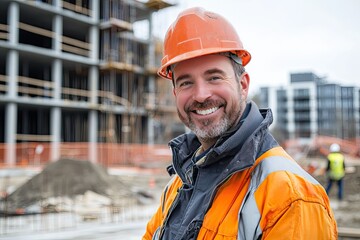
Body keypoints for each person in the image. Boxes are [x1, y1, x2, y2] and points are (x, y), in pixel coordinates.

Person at [142, 7, 337, 240]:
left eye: (214, 77)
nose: (201, 95)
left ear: (243, 85)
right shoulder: (179, 185)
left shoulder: (290, 197)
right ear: (175, 93)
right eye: (186, 83)